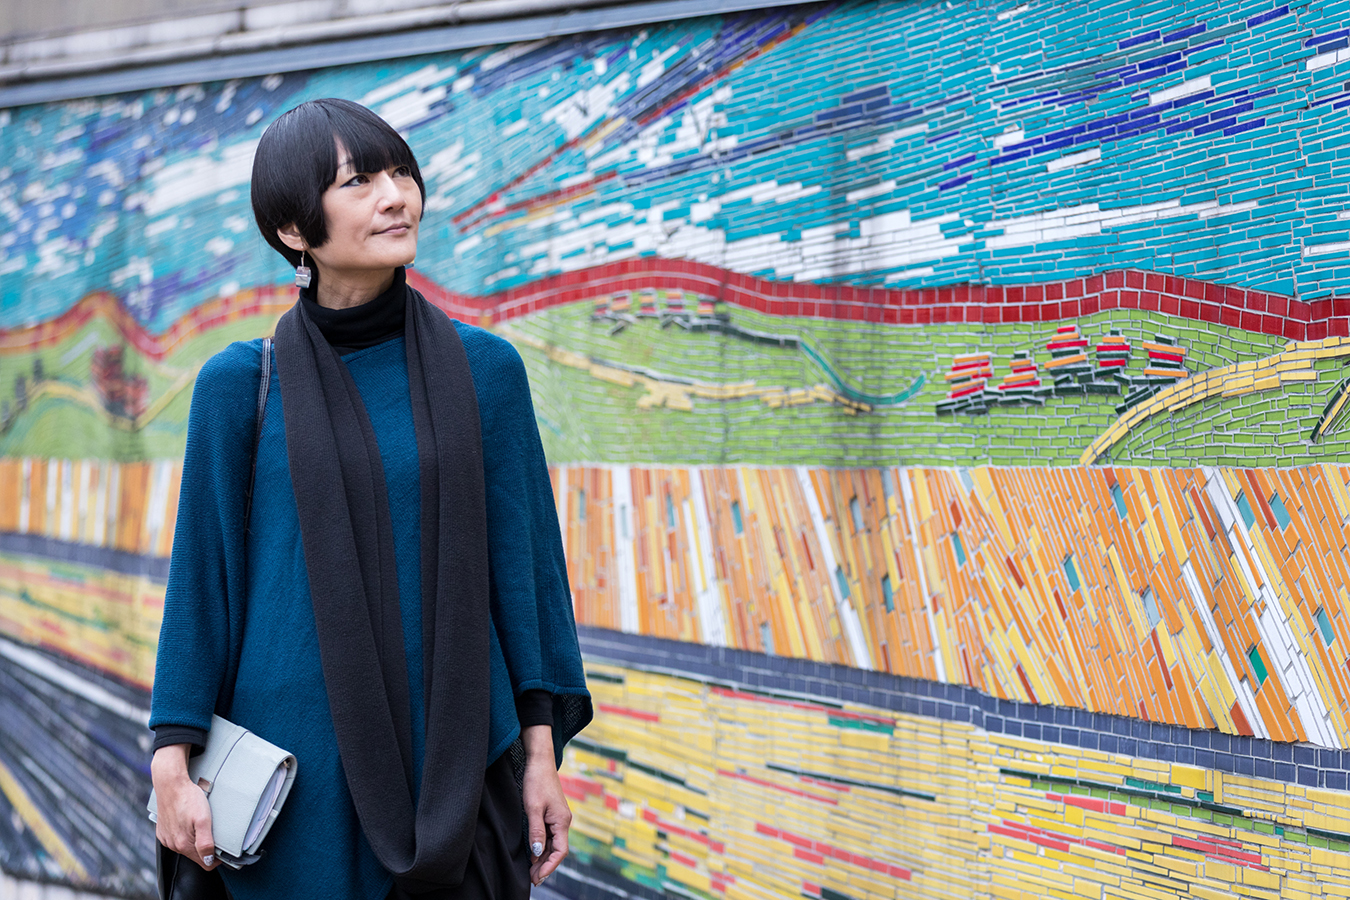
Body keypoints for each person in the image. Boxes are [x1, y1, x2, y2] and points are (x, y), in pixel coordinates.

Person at [148, 97, 592, 900]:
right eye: (360, 181)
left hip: (460, 770)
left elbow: (526, 581)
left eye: (401, 173)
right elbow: (201, 583)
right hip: (294, 783)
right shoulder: (239, 387)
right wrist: (171, 763)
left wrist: (539, 755)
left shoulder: (485, 373)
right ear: (293, 230)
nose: (396, 195)